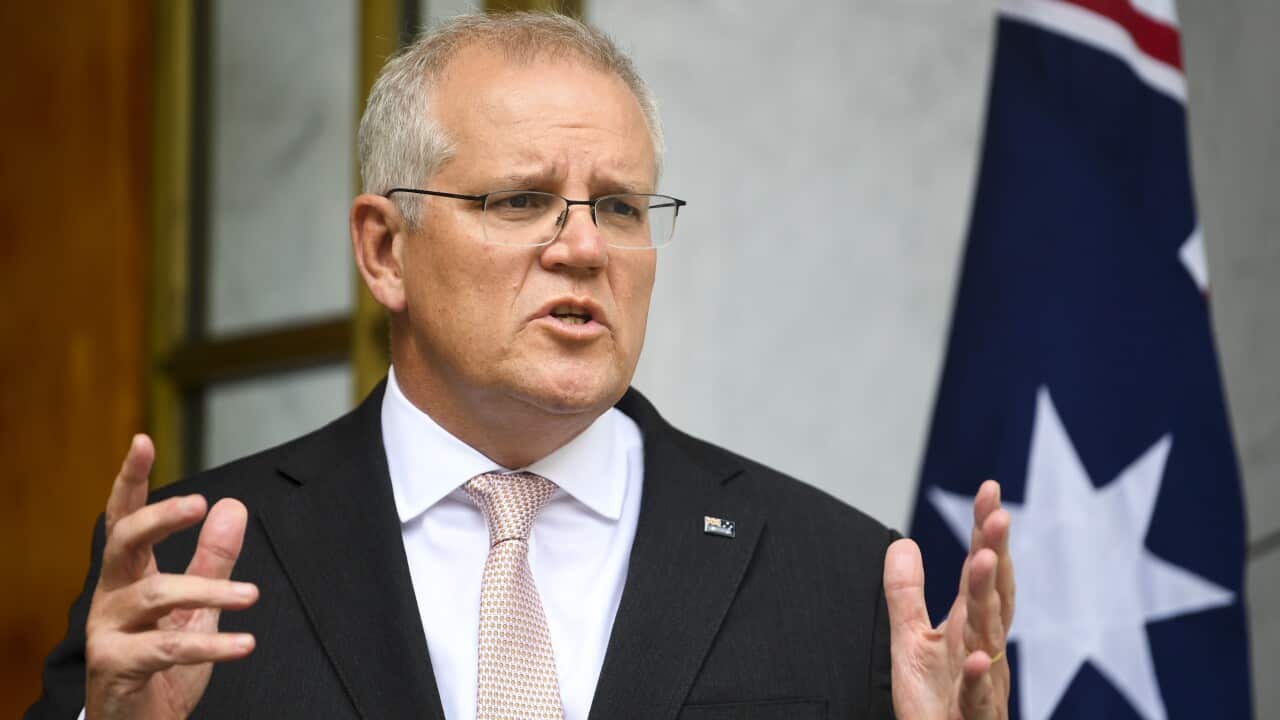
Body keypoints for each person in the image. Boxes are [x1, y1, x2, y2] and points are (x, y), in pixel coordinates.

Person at [27, 12, 1015, 720]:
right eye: (519, 201)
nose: (583, 248)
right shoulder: (189, 573)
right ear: (383, 251)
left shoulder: (836, 573)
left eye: (620, 207)